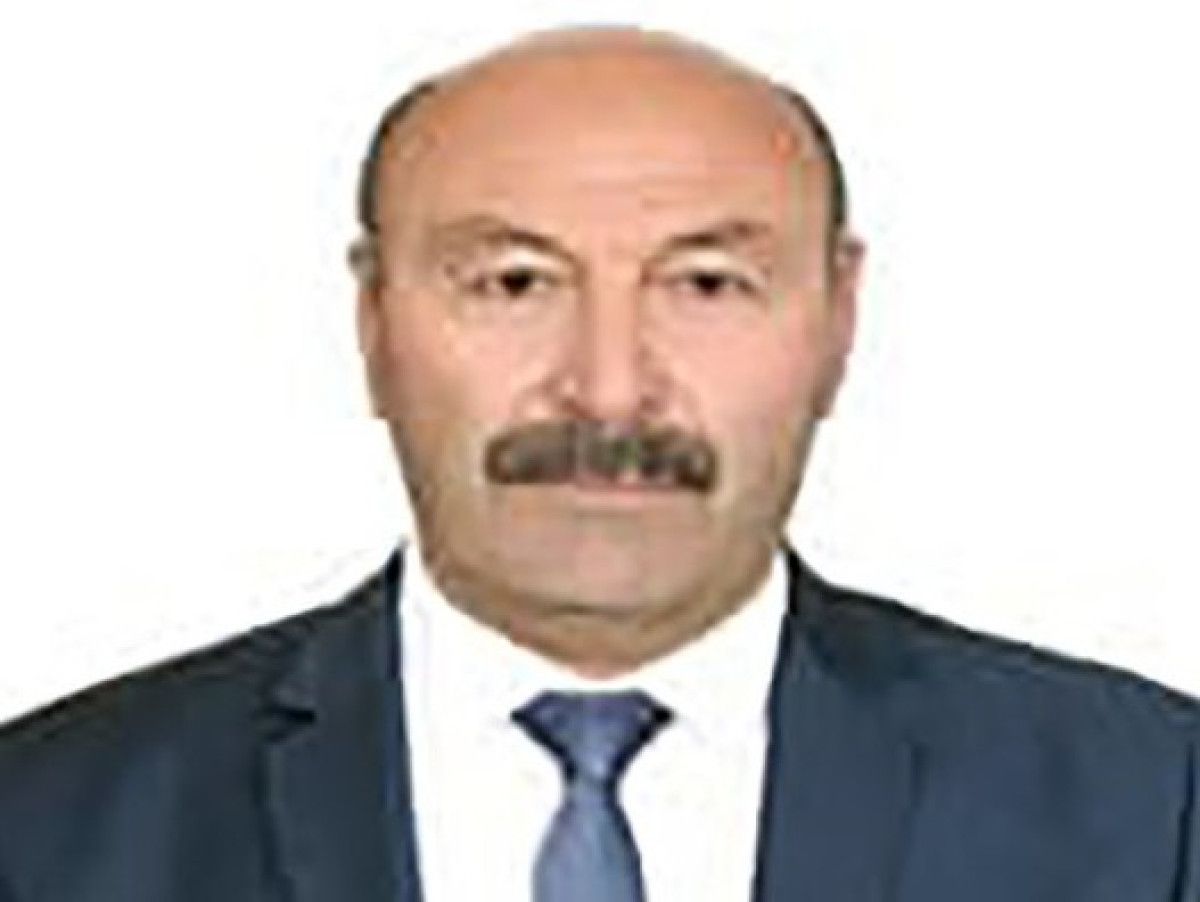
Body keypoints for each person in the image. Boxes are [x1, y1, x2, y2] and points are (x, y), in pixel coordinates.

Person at [1, 23, 1197, 902]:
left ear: (839, 320)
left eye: (706, 284)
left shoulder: (1154, 811)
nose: (610, 387)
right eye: (514, 281)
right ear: (373, 320)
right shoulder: (48, 824)